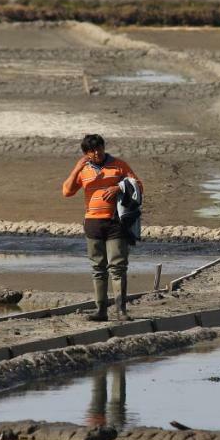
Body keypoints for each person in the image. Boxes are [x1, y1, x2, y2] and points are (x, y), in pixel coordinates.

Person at [61, 134, 143, 322]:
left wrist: (119, 187)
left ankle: (121, 311)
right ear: (86, 153)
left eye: (99, 148)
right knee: (98, 267)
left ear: (104, 147)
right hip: (93, 223)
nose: (97, 153)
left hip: (116, 222)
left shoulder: (119, 165)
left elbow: (138, 185)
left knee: (118, 266)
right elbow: (66, 192)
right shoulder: (83, 170)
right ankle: (101, 311)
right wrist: (77, 168)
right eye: (92, 151)